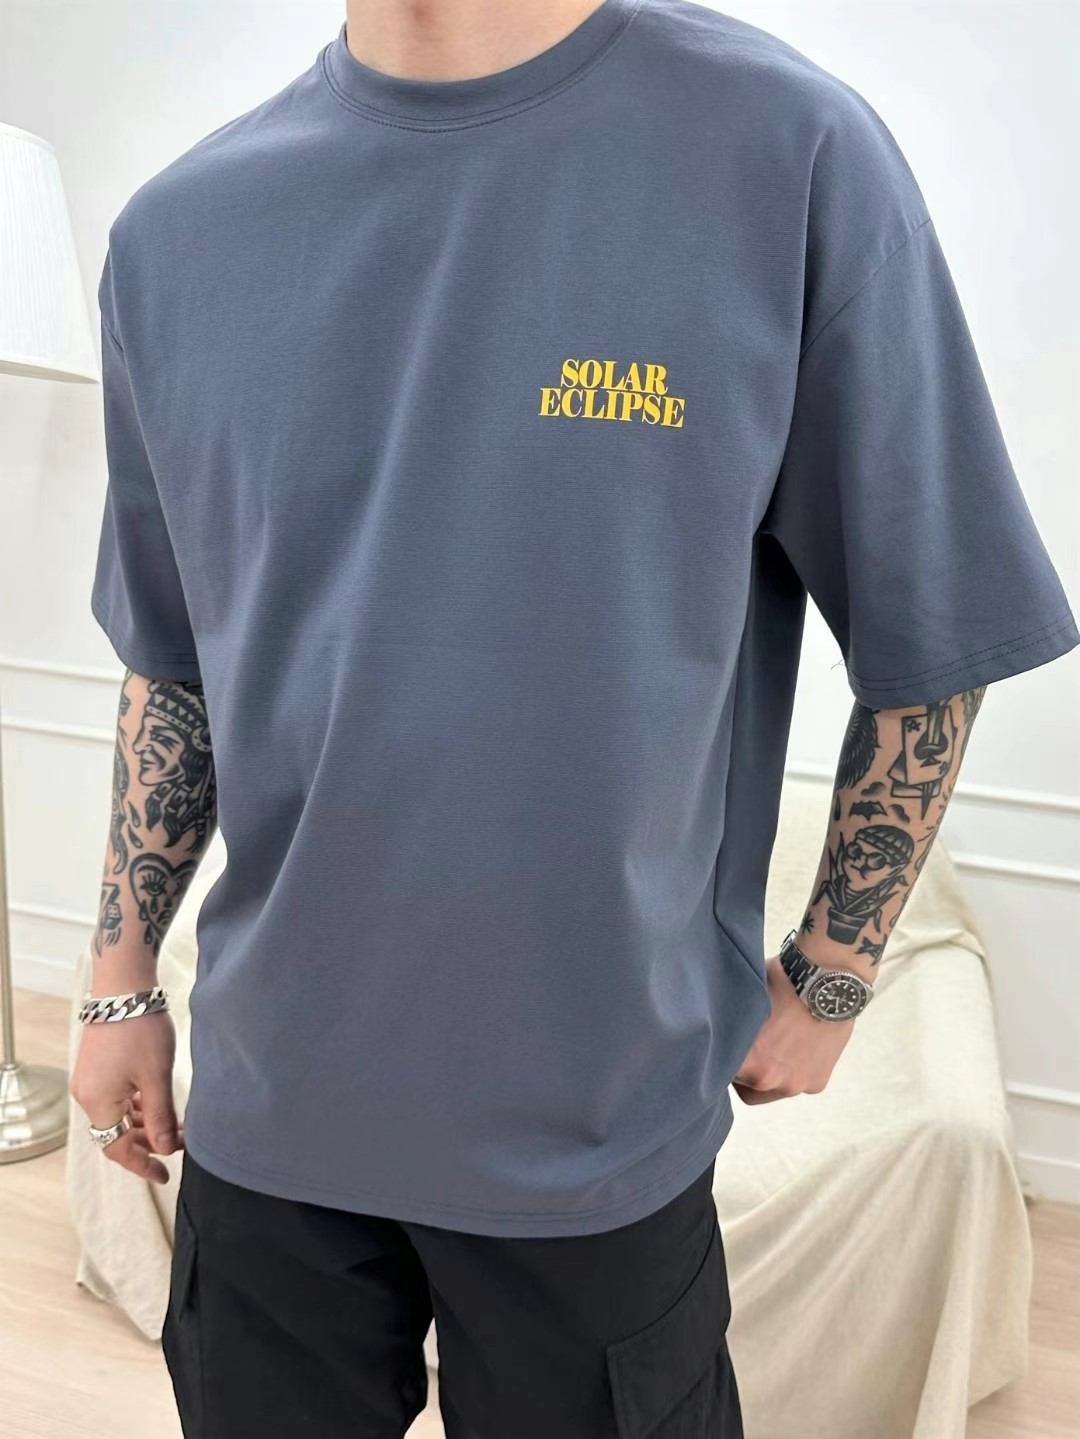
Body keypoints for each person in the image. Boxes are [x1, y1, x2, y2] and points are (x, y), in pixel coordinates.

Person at [70, 1, 1079, 1435]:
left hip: (597, 1148)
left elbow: (936, 623)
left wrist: (835, 972)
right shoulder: (179, 235)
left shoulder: (784, 153)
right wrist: (117, 980)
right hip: (269, 1112)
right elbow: (174, 669)